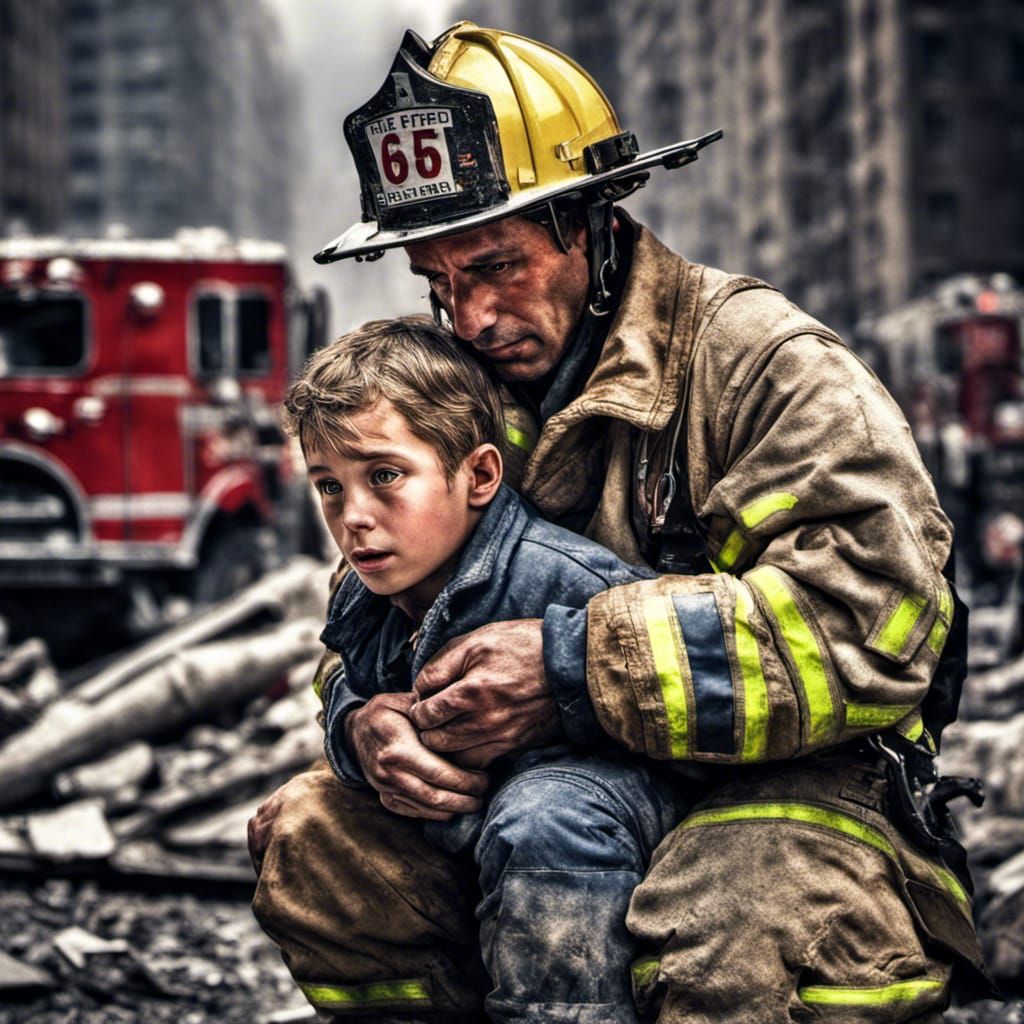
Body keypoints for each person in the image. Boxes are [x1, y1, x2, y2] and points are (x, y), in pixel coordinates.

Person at [250, 21, 993, 1024]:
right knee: (315, 839)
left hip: (789, 792)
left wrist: (572, 668)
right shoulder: (462, 392)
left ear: (591, 224)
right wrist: (361, 725)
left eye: (498, 266)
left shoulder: (761, 368)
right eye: (439, 281)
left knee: (725, 930)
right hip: (538, 807)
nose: (468, 318)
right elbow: (367, 612)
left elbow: (871, 626)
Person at [270, 314, 679, 1020]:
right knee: (291, 823)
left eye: (385, 476)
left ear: (480, 474)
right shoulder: (368, 591)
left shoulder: (567, 581)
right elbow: (345, 686)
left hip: (587, 831)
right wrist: (354, 729)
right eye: (329, 486)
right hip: (471, 832)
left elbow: (670, 707)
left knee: (545, 816)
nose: (353, 517)